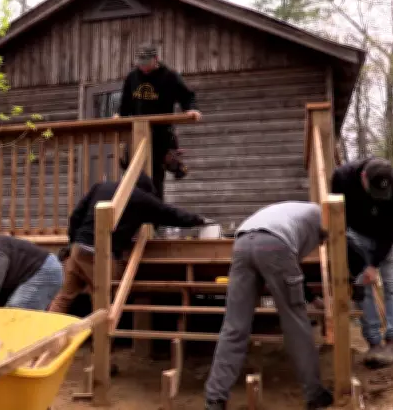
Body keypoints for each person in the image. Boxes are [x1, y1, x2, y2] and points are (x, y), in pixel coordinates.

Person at [203, 202, 334, 410]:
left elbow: (291, 266)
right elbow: (286, 261)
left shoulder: (295, 213)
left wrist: (311, 298)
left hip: (243, 242)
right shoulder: (324, 217)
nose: (321, 244)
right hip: (275, 244)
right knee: (296, 323)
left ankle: (215, 398)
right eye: (323, 241)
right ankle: (315, 393)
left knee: (234, 325)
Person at [47, 172, 213, 315]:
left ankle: (44, 339)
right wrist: (198, 220)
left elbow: (75, 216)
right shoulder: (141, 198)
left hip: (78, 249)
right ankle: (101, 345)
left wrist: (73, 241)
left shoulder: (101, 187)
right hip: (99, 253)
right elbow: (170, 214)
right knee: (107, 297)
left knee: (63, 298)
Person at [331, 157, 393, 368]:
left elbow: (392, 230)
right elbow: (337, 218)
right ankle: (373, 342)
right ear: (363, 177)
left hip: (388, 236)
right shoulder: (342, 178)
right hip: (356, 234)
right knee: (361, 284)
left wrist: (374, 264)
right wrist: (356, 260)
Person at [115, 42, 201, 203]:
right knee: (134, 176)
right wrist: (120, 118)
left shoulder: (169, 76)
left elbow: (187, 96)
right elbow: (125, 103)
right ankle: (138, 219)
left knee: (155, 178)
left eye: (146, 63)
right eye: (141, 64)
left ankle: (154, 221)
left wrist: (191, 109)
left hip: (161, 135)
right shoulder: (132, 77)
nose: (143, 67)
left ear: (155, 59)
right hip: (137, 134)